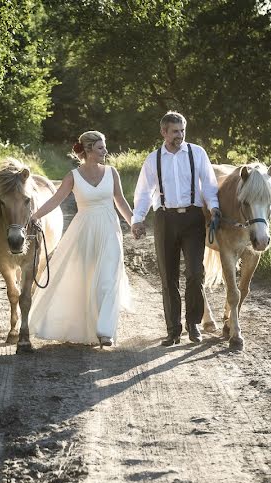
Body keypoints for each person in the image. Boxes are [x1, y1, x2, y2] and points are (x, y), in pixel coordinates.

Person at [28, 130, 134, 347]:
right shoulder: (73, 176)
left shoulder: (112, 172)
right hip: (83, 231)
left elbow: (120, 201)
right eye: (101, 148)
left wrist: (135, 223)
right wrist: (34, 216)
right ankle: (81, 325)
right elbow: (56, 200)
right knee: (84, 280)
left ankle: (105, 331)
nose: (105, 151)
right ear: (88, 150)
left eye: (104, 147)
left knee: (108, 278)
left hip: (109, 229)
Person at [131, 111, 221, 345]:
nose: (179, 135)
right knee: (168, 277)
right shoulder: (153, 159)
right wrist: (137, 219)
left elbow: (210, 185)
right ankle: (173, 330)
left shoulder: (197, 153)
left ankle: (193, 324)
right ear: (163, 132)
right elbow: (143, 193)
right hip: (164, 220)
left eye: (182, 131)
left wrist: (213, 208)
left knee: (194, 273)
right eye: (174, 131)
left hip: (193, 218)